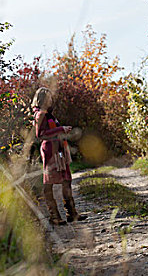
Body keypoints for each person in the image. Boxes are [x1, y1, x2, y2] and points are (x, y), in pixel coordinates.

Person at [32, 87, 86, 225]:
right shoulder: (40, 115)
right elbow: (40, 135)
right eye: (48, 97)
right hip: (50, 151)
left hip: (59, 149)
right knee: (49, 183)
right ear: (42, 99)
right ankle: (54, 216)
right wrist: (61, 129)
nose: (51, 99)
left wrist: (62, 132)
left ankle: (71, 213)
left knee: (66, 179)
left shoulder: (49, 114)